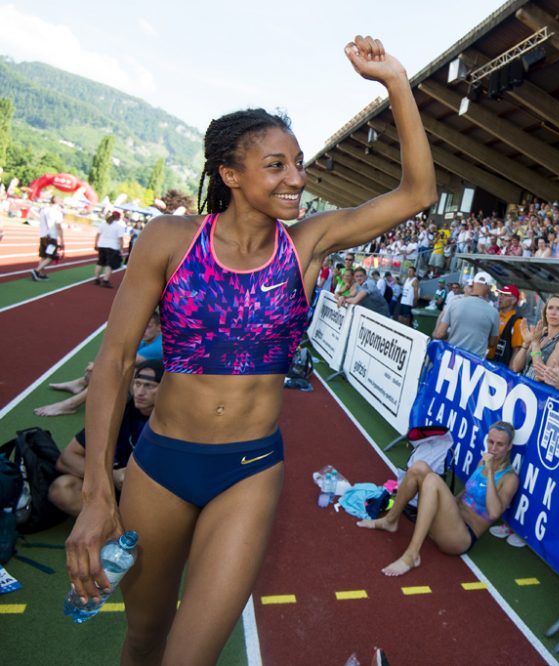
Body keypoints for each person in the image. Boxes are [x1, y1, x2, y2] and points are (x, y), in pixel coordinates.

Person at [65, 36, 436, 665]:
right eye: (276, 165)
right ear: (230, 175)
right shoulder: (169, 240)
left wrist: (397, 82)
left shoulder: (308, 243)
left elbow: (417, 193)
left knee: (189, 658)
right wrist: (99, 492)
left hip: (249, 471)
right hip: (159, 468)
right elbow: (117, 360)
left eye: (298, 161)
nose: (297, 177)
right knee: (144, 639)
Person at [357, 421, 520, 576]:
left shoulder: (510, 478)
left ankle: (412, 555)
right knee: (419, 467)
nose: (493, 448)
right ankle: (390, 520)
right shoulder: (482, 463)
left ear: (509, 447)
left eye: (500, 444)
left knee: (432, 480)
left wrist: (491, 471)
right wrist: (445, 503)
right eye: (490, 442)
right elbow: (465, 494)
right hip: (449, 520)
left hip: (460, 537)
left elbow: (494, 513)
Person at [48, 361, 163, 516]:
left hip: (151, 492)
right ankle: (113, 526)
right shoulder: (117, 412)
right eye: (137, 384)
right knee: (62, 488)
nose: (140, 392)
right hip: (112, 483)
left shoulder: (173, 422)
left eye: (149, 386)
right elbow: (66, 459)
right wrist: (111, 474)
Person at [35, 311, 163, 417]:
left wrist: (97, 368)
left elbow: (121, 361)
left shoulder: (158, 346)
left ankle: (71, 404)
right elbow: (121, 353)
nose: (143, 330)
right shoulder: (149, 339)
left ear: (159, 327)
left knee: (115, 372)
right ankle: (80, 384)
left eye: (148, 327)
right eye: (141, 326)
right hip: (149, 384)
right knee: (111, 366)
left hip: (158, 393)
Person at [432, 271, 499, 358]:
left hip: (452, 356)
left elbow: (439, 334)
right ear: (489, 287)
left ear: (473, 284)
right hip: (474, 363)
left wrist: (454, 334)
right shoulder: (494, 312)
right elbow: (492, 343)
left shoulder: (455, 304)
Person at [510, 294, 559, 380]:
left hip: (541, 393)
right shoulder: (541, 334)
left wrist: (535, 344)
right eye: (550, 308)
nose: (553, 312)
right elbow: (516, 368)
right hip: (523, 389)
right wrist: (526, 344)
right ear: (545, 312)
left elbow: (542, 377)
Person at [487, 283, 524, 367]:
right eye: (500, 294)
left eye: (505, 295)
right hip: (486, 361)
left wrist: (510, 374)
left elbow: (516, 350)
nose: (501, 297)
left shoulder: (517, 322)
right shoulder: (495, 314)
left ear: (514, 300)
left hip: (500, 367)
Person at [94, 210, 129, 288]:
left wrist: (96, 243)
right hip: (113, 246)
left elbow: (98, 234)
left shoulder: (103, 223)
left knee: (100, 262)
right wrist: (121, 249)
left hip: (102, 245)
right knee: (109, 264)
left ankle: (96, 279)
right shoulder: (119, 226)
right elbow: (120, 239)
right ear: (118, 218)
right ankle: (105, 280)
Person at [32, 197, 63, 281]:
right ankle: (37, 271)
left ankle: (41, 274)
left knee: (43, 256)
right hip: (51, 237)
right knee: (51, 256)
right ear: (58, 204)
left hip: (43, 236)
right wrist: (62, 240)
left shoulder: (43, 210)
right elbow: (59, 227)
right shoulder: (57, 213)